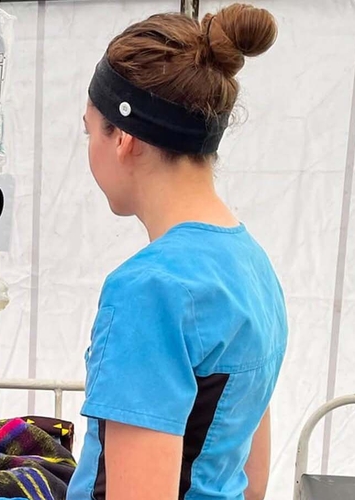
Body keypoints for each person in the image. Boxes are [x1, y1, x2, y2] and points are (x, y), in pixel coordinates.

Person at [67, 4, 288, 500]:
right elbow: (250, 482)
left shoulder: (150, 290)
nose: (89, 148)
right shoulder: (253, 265)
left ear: (123, 137)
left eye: (89, 130)